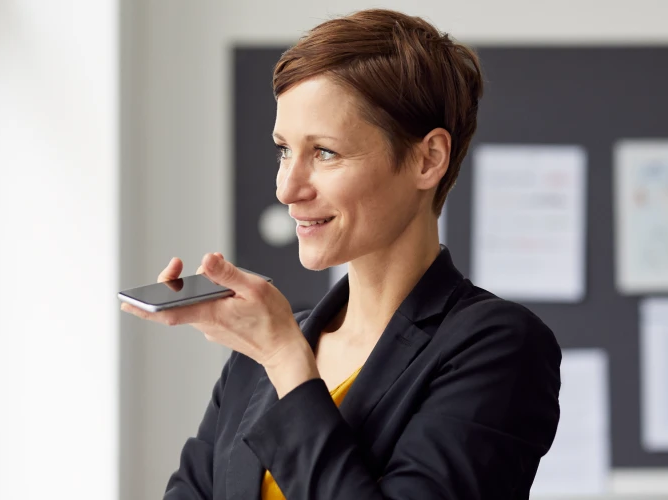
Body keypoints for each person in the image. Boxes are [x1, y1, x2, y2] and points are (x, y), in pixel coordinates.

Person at [121, 8, 561, 499]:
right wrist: (277, 352)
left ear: (428, 159)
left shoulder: (498, 346)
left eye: (324, 152)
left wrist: (287, 360)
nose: (287, 189)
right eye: (284, 150)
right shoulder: (255, 360)